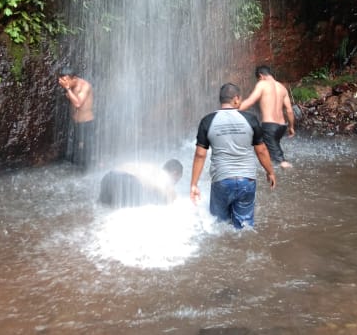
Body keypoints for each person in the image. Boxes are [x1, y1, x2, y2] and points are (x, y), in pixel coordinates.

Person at [189, 83, 277, 229]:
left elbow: (200, 154)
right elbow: (261, 150)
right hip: (246, 181)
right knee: (244, 227)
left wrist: (194, 184)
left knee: (218, 226)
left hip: (221, 181)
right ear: (236, 99)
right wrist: (270, 172)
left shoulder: (208, 121)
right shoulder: (250, 119)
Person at [238, 65, 296, 168]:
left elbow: (250, 101)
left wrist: (232, 111)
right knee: (269, 150)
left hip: (269, 126)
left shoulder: (262, 84)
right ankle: (272, 170)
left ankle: (288, 169)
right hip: (282, 127)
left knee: (280, 161)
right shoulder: (282, 87)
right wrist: (291, 127)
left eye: (258, 79)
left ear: (261, 76)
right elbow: (289, 111)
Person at [98, 159, 184, 208]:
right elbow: (171, 201)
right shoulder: (164, 177)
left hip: (108, 177)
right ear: (174, 173)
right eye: (177, 180)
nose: (174, 184)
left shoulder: (152, 168)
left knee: (102, 208)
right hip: (126, 181)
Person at [57, 67, 94, 167]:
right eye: (62, 81)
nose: (64, 83)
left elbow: (78, 104)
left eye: (66, 81)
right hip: (76, 122)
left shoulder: (84, 86)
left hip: (87, 123)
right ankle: (77, 170)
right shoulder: (69, 85)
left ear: (74, 78)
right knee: (77, 149)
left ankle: (89, 170)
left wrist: (67, 89)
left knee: (87, 149)